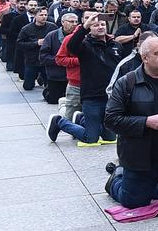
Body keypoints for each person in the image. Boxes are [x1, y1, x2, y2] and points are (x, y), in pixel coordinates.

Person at [103, 36, 158, 208]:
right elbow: (111, 119)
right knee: (134, 203)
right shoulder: (126, 83)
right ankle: (116, 179)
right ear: (145, 58)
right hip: (139, 159)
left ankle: (152, 185)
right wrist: (145, 122)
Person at [49, 15, 120, 146]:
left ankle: (81, 118)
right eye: (96, 25)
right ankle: (59, 121)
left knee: (110, 138)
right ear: (89, 28)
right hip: (91, 96)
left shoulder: (114, 45)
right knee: (90, 138)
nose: (100, 27)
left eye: (102, 25)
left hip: (110, 96)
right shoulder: (84, 45)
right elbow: (71, 46)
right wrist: (84, 27)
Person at [15, 9, 53, 92]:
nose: (44, 17)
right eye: (41, 15)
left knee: (50, 86)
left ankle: (42, 78)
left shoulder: (52, 27)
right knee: (28, 86)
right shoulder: (26, 29)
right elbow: (19, 44)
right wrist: (36, 43)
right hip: (32, 60)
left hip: (46, 60)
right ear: (35, 16)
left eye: (45, 15)